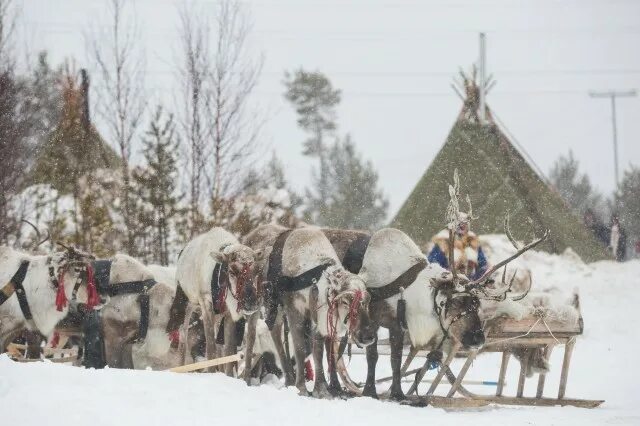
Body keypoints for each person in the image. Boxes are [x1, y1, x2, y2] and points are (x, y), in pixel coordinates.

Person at [427, 213, 488, 280]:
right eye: (459, 224)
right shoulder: (443, 242)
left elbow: (482, 264)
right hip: (447, 283)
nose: (462, 226)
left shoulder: (472, 242)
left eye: (464, 224)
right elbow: (433, 263)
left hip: (471, 283)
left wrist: (478, 279)